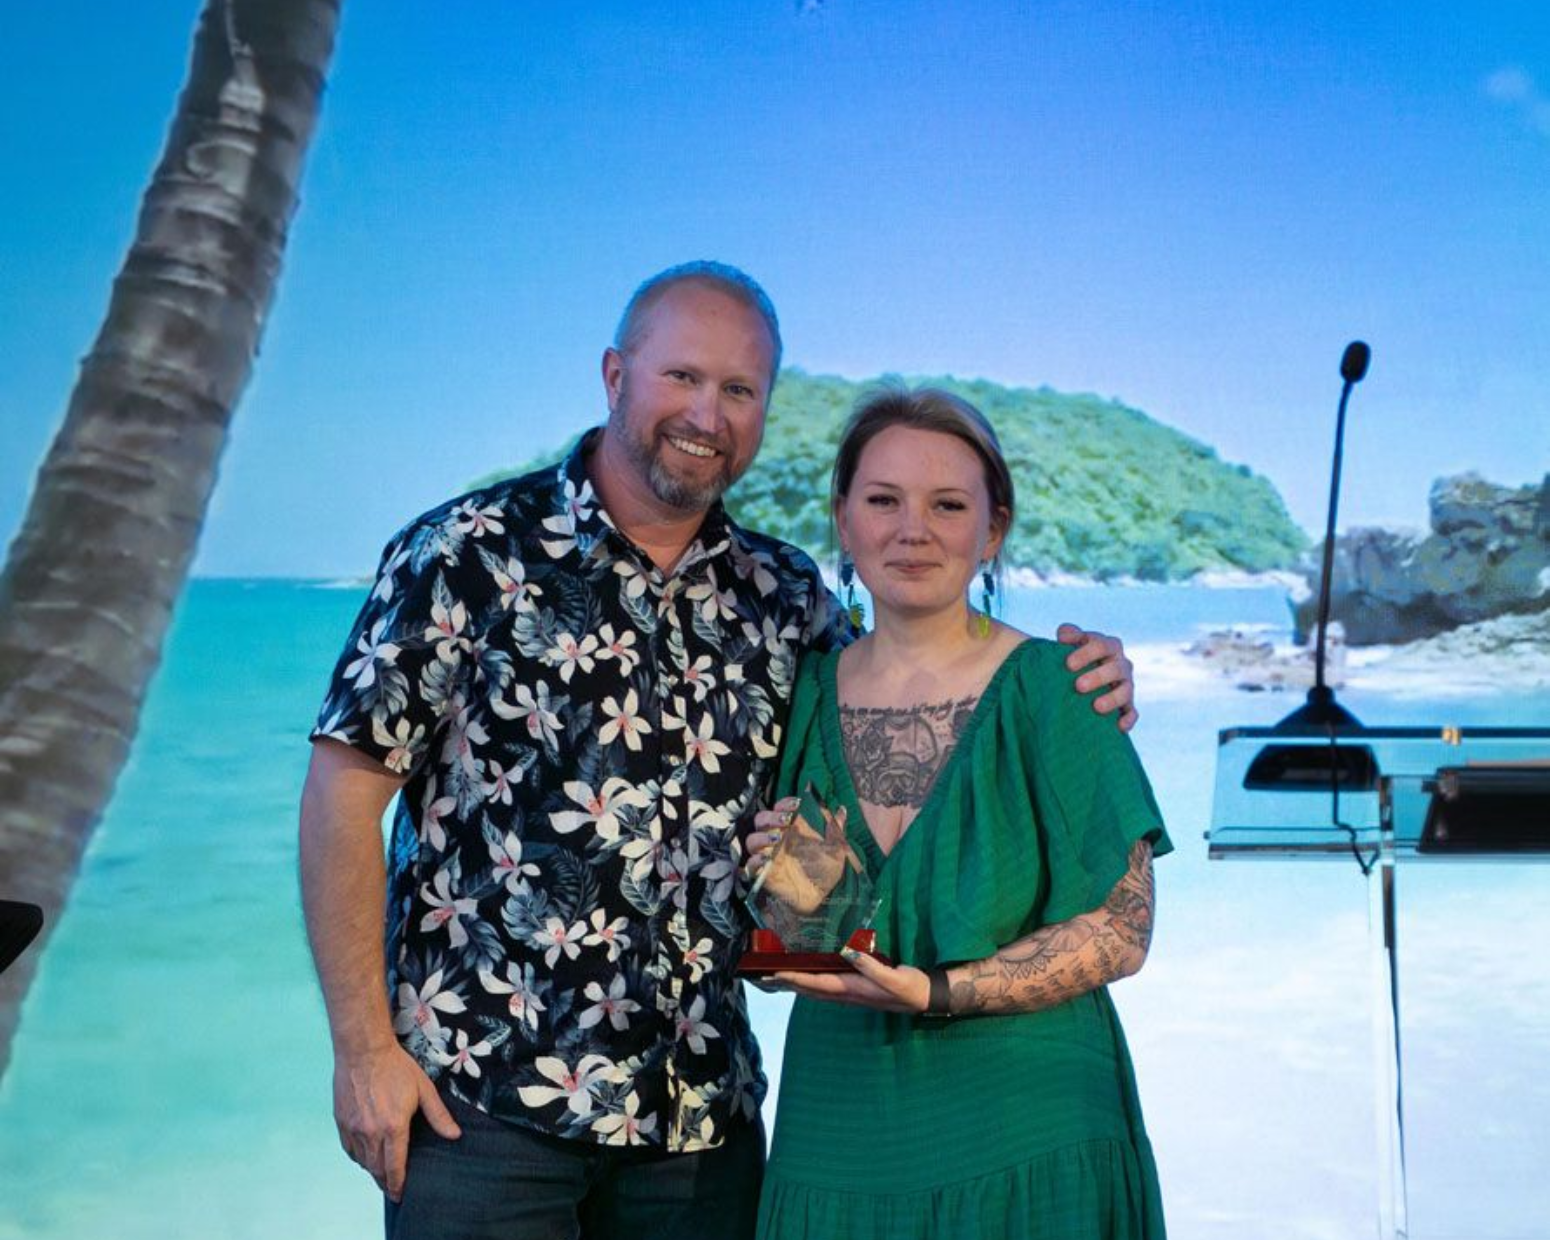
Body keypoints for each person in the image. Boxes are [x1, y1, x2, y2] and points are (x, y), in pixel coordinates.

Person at [299, 262, 1140, 1240]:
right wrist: (362, 1049)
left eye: (739, 390)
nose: (707, 412)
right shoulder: (463, 552)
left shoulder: (784, 598)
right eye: (681, 377)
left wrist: (1081, 682)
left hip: (703, 1120)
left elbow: (889, 746)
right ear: (614, 375)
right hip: (483, 1110)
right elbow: (342, 797)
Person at [746, 387, 1171, 1240]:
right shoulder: (799, 692)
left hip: (1032, 1126)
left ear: (993, 530)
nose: (914, 530)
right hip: (839, 1131)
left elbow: (1124, 931)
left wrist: (937, 991)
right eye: (883, 500)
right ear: (841, 518)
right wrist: (786, 891)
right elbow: (792, 951)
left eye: (948, 505)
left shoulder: (1060, 684)